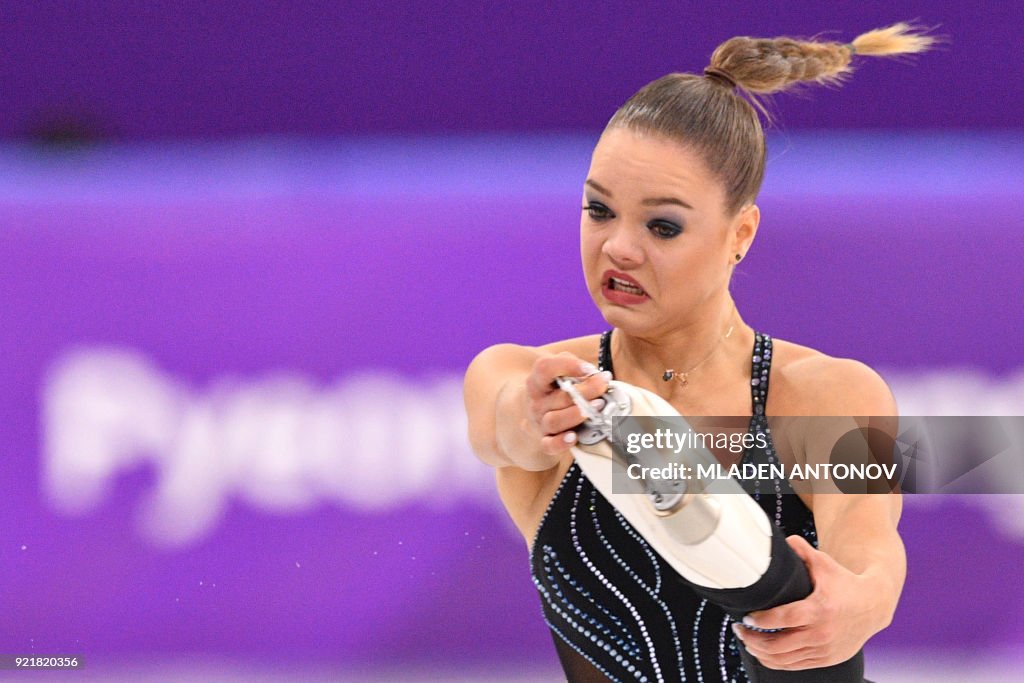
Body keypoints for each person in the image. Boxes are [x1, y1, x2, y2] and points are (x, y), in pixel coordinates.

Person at [464, 23, 932, 683]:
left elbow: (869, 546)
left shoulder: (827, 394)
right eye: (598, 210)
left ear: (740, 233)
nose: (619, 247)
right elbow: (506, 424)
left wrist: (863, 600)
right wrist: (531, 415)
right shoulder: (523, 376)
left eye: (662, 225)